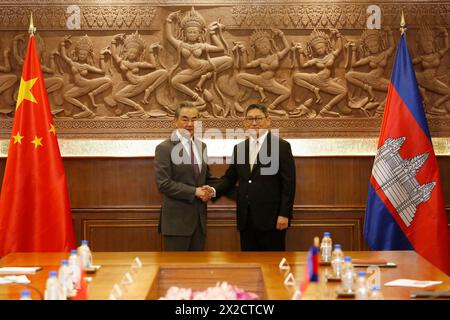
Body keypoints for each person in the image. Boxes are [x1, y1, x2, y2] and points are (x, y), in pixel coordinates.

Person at [213, 104, 296, 251]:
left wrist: (284, 214)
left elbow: (289, 184)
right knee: (249, 265)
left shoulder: (281, 146)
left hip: (273, 220)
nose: (254, 123)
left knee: (273, 266)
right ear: (245, 123)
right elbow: (230, 178)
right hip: (246, 219)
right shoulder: (239, 148)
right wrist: (213, 190)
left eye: (258, 118)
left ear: (268, 121)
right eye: (250, 119)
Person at [154, 101, 216, 251]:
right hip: (177, 224)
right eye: (185, 119)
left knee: (196, 271)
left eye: (194, 119)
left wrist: (212, 190)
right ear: (175, 121)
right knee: (176, 271)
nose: (190, 124)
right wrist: (195, 191)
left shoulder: (202, 146)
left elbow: (205, 178)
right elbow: (164, 183)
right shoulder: (164, 148)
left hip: (199, 223)